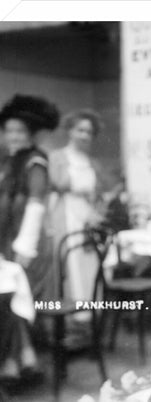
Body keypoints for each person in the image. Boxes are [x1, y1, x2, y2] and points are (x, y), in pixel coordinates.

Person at [0, 94, 59, 379]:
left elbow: (36, 205)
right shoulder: (11, 161)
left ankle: (16, 361)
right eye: (9, 130)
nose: (13, 136)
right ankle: (24, 357)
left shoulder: (35, 162)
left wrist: (24, 247)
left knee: (14, 297)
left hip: (30, 244)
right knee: (10, 298)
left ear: (31, 134)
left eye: (20, 131)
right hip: (10, 241)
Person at [48, 109, 106, 314]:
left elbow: (99, 194)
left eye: (89, 132)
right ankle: (72, 321)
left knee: (88, 265)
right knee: (68, 265)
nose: (84, 135)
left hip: (87, 217)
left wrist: (96, 214)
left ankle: (89, 320)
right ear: (70, 131)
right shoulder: (57, 157)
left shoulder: (92, 162)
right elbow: (55, 185)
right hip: (65, 215)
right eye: (80, 130)